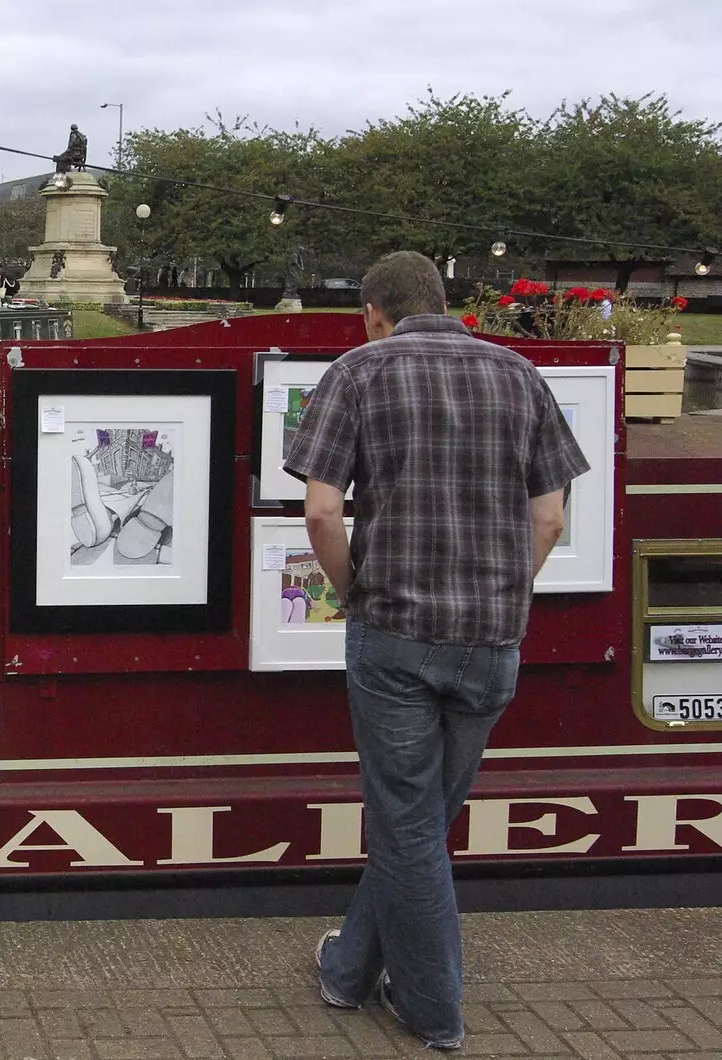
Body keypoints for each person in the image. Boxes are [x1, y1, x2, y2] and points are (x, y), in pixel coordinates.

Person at [284, 251, 588, 1052]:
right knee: (420, 821)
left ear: (373, 311)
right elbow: (551, 518)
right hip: (492, 639)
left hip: (396, 634)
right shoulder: (520, 374)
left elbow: (320, 514)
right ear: (446, 301)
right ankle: (349, 969)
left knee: (407, 825)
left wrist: (355, 594)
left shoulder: (356, 372)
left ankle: (433, 1012)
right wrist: (506, 590)